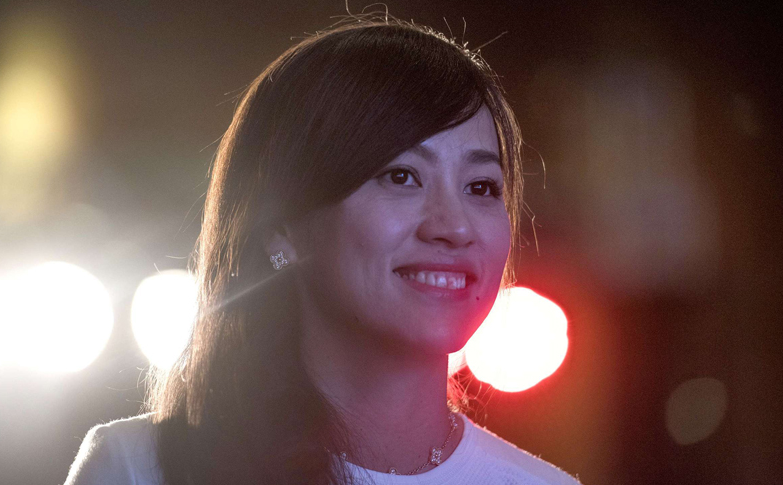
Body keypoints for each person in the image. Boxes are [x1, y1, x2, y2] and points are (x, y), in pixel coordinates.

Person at [64, 17, 582, 485]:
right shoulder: (139, 468)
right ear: (283, 227)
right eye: (402, 176)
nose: (455, 227)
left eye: (481, 187)